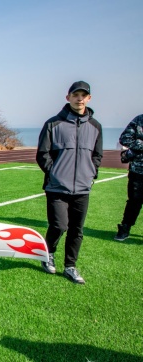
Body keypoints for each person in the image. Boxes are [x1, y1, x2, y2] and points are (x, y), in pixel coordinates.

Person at [36, 81, 103, 284]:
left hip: (82, 188)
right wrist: (54, 173)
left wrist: (91, 173)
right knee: (59, 225)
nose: (79, 99)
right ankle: (48, 254)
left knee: (77, 230)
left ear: (89, 99)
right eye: (75, 95)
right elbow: (43, 154)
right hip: (57, 187)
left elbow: (97, 155)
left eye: (83, 95)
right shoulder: (53, 124)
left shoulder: (95, 126)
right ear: (68, 97)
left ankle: (70, 266)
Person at [114, 114, 143, 241]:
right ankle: (125, 228)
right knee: (134, 201)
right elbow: (125, 139)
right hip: (138, 171)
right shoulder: (139, 120)